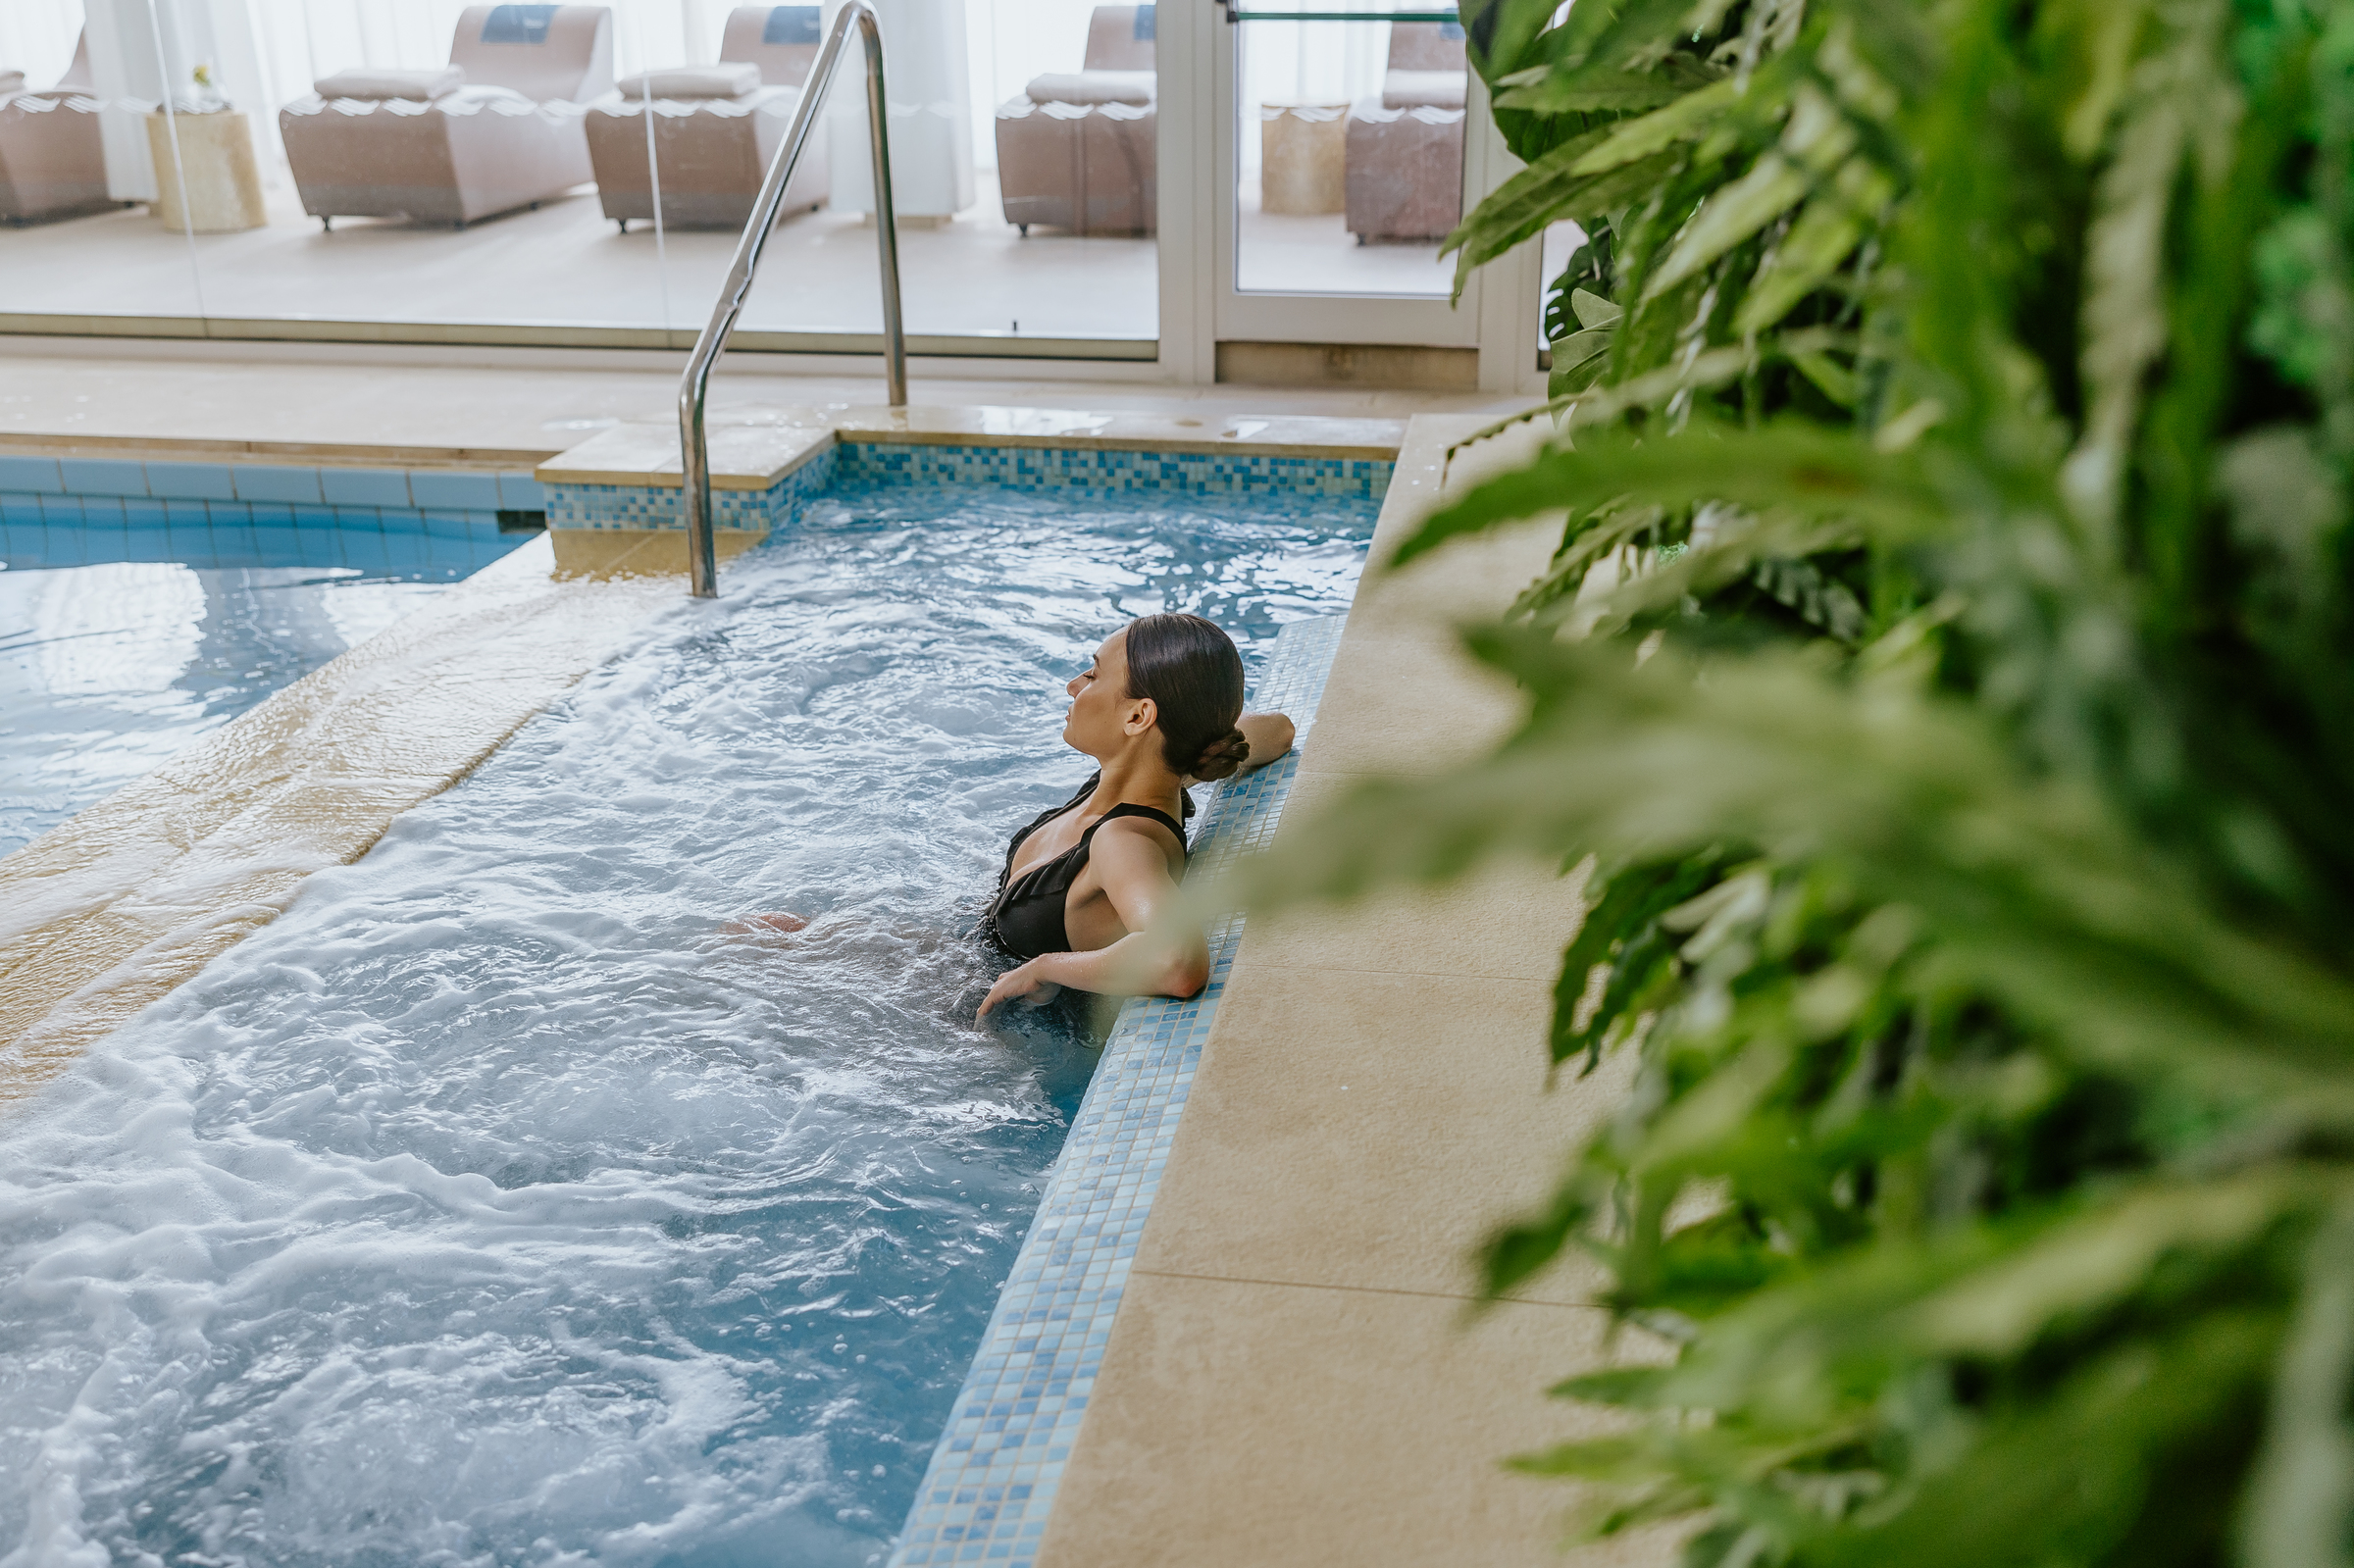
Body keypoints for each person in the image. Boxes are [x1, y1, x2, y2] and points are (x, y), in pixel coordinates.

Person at [975, 613, 1293, 1021]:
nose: (1073, 686)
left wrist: (1045, 968)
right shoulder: (1151, 776)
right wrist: (1192, 744)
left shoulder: (1122, 841)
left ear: (1137, 717)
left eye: (1092, 675)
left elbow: (1177, 962)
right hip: (966, 959)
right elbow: (1279, 731)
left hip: (993, 1028)